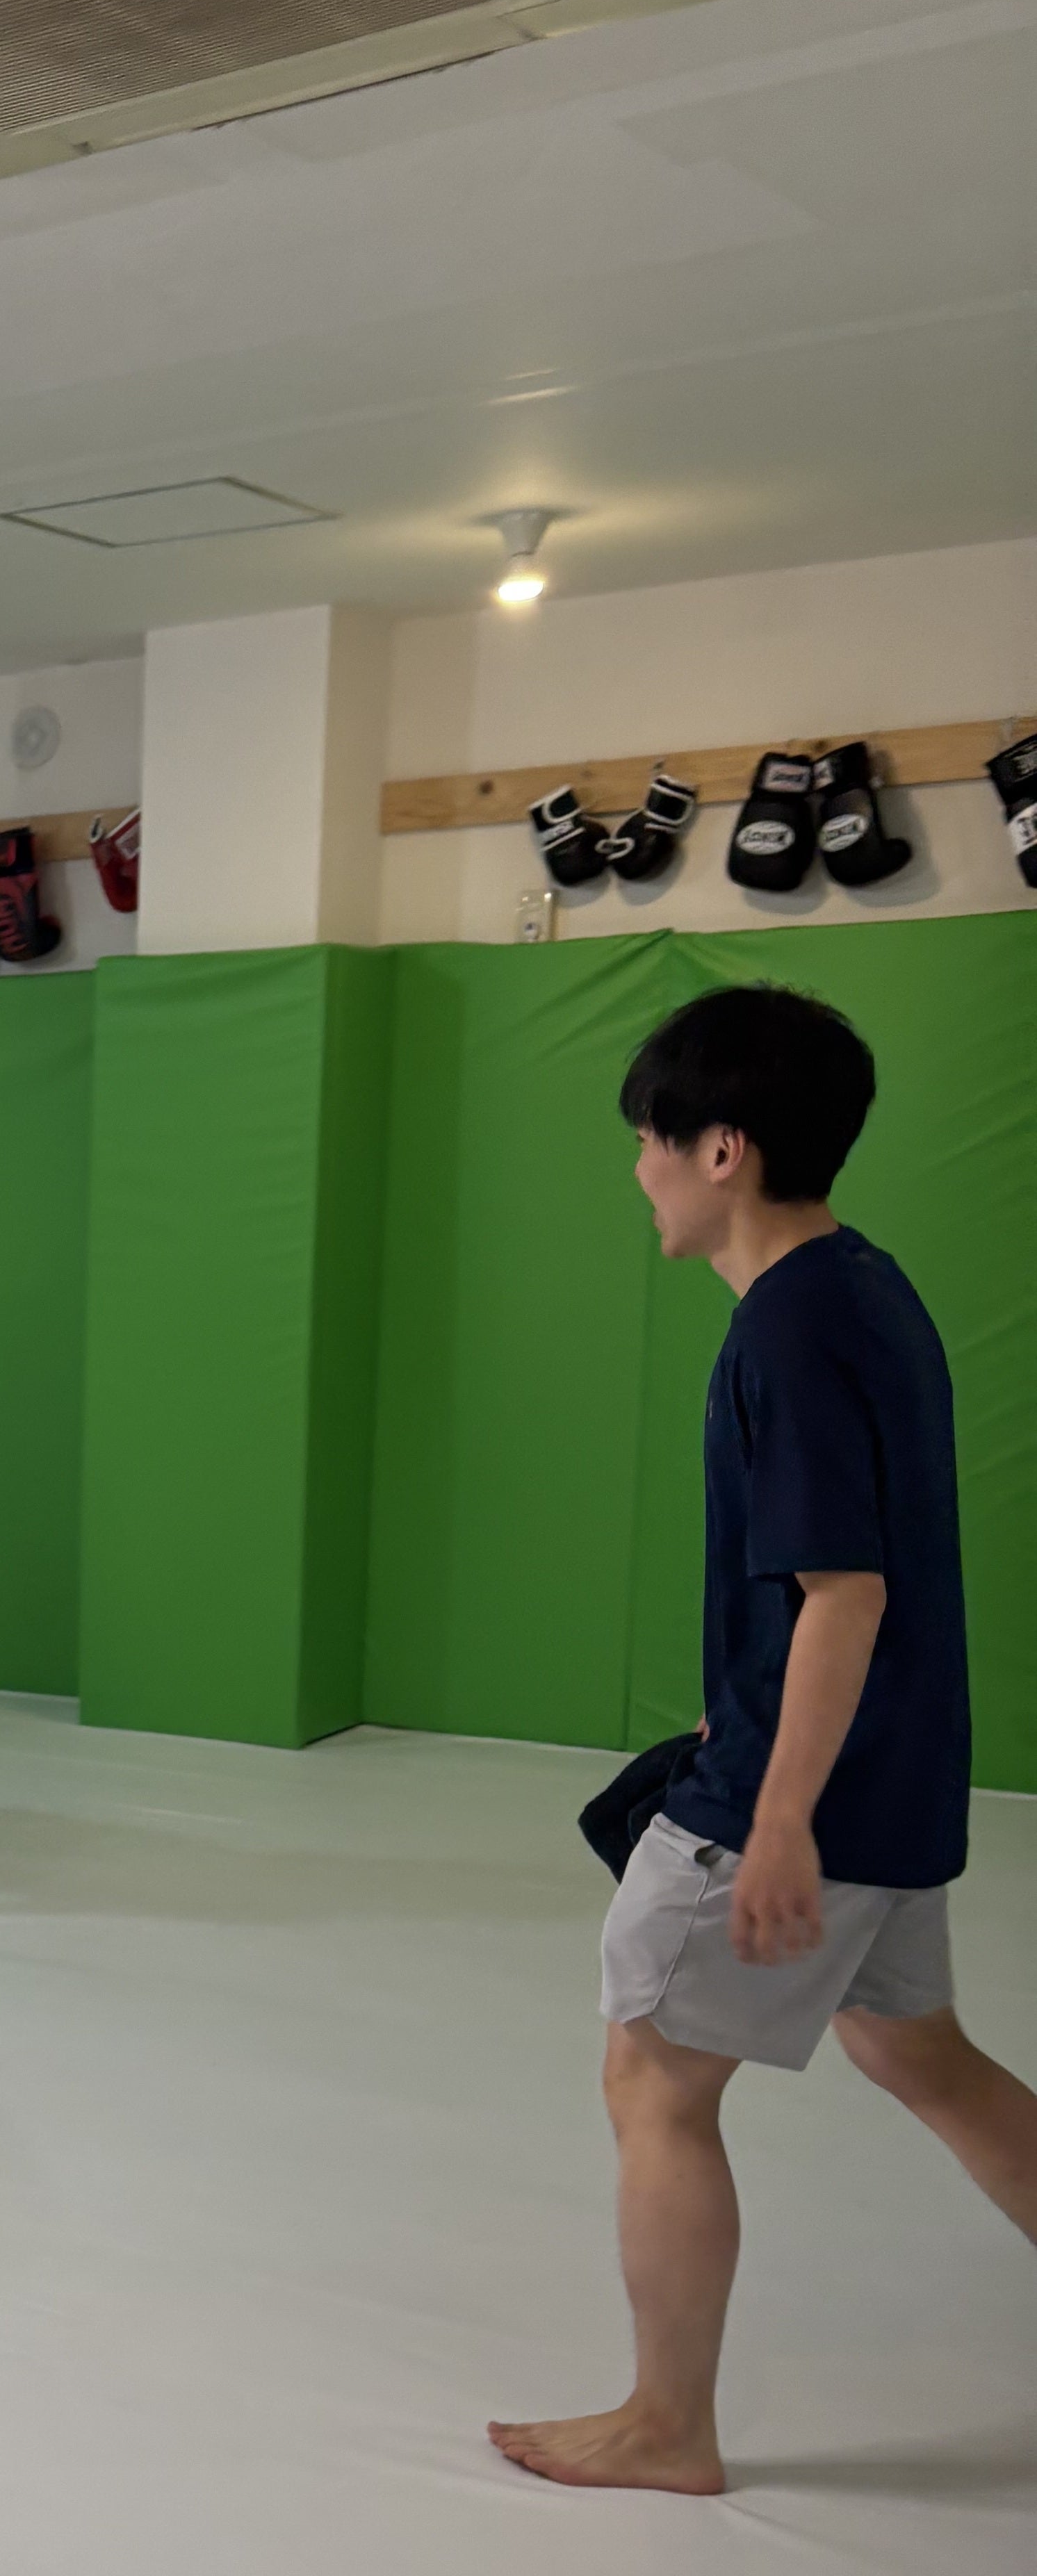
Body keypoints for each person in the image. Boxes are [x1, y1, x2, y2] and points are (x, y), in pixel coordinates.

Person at [491, 984, 1037, 2495]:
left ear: (721, 1148)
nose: (639, 1171)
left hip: (805, 1798)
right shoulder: (864, 1290)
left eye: (649, 1142)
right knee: (918, 2054)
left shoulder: (784, 1333)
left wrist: (779, 1815)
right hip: (896, 1780)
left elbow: (843, 1595)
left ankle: (666, 2425)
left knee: (650, 2080)